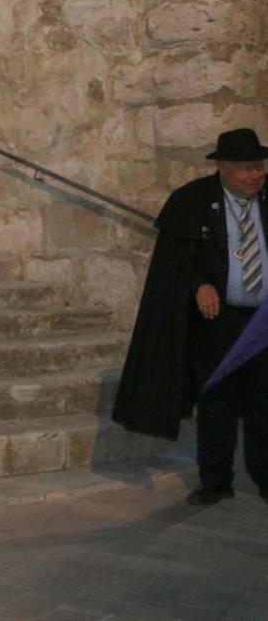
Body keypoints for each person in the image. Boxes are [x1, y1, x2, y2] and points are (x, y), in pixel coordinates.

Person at [113, 127, 268, 505]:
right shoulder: (193, 201)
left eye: (259, 167)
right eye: (246, 169)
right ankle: (215, 481)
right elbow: (174, 264)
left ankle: (265, 477)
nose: (256, 176)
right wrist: (199, 284)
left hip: (263, 322)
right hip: (217, 322)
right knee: (217, 403)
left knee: (264, 404)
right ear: (224, 167)